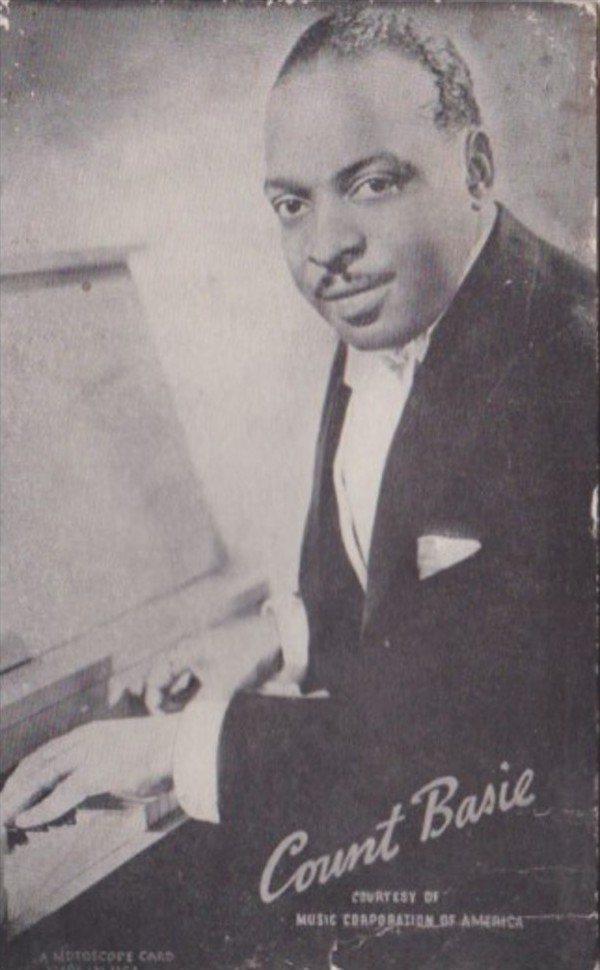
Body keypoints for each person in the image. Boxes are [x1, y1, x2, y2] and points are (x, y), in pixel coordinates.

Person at [2, 8, 596, 968]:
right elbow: (411, 596)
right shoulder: (399, 299)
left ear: (477, 169)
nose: (326, 246)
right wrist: (282, 635)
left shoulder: (570, 366)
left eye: (371, 184)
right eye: (291, 203)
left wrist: (174, 751)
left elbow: (475, 739)